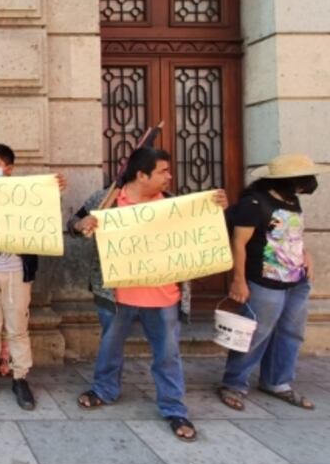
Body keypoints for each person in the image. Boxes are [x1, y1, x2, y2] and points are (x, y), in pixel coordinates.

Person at [70, 147, 227, 442]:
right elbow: (73, 225)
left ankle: (174, 407)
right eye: (163, 171)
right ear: (142, 175)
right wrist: (82, 225)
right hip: (115, 295)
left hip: (164, 298)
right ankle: (104, 390)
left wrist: (216, 208)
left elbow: (202, 232)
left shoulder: (173, 204)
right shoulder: (106, 200)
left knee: (168, 355)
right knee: (109, 348)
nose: (169, 176)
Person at [217, 153, 329, 412]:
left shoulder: (292, 201)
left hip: (296, 280)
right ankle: (234, 383)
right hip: (264, 280)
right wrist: (239, 281)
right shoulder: (254, 203)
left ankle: (278, 381)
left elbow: (289, 235)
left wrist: (306, 254)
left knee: (291, 332)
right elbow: (239, 243)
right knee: (256, 334)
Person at [0, 143, 66, 410]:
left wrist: (53, 192)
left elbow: (44, 216)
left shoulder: (26, 195)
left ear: (9, 169)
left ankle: (20, 377)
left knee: (17, 328)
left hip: (16, 272)